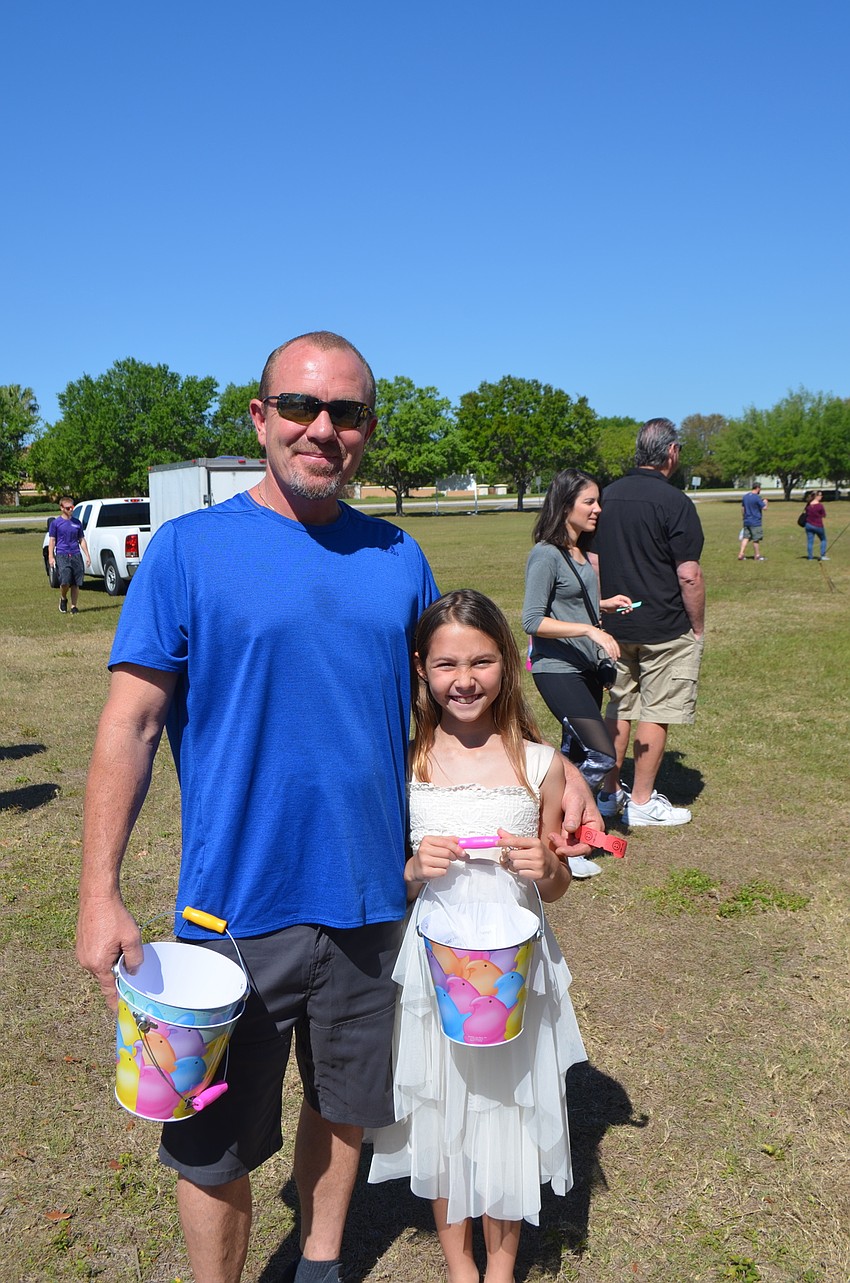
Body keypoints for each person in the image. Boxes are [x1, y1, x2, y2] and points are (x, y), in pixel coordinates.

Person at [75, 330, 604, 1283]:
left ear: (366, 429)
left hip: (375, 904)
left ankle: (320, 1265)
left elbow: (456, 692)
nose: (323, 429)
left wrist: (545, 775)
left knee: (347, 1100)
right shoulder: (190, 552)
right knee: (214, 1139)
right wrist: (97, 890)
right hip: (231, 908)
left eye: (347, 412)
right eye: (301, 408)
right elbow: (132, 724)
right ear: (260, 418)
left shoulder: (399, 556)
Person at [369, 590, 586, 1283]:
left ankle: (500, 1263)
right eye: (446, 664)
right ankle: (459, 1262)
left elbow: (557, 885)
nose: (464, 678)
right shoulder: (408, 762)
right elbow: (385, 883)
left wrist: (548, 866)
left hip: (513, 967)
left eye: (482, 660)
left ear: (510, 663)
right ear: (421, 669)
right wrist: (410, 869)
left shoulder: (539, 763)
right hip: (438, 969)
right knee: (442, 1102)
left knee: (507, 1106)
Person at [593, 418, 705, 828]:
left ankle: (608, 795)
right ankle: (640, 802)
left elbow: (593, 562)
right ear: (671, 452)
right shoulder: (676, 502)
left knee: (618, 707)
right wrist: (697, 628)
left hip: (614, 625)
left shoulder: (606, 497)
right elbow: (689, 574)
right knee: (655, 711)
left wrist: (599, 611)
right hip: (664, 626)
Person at [521, 468, 634, 877]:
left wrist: (602, 606)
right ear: (565, 504)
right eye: (589, 501)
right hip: (557, 668)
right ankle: (562, 831)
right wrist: (589, 628)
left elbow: (569, 602)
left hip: (586, 668)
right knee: (600, 753)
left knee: (572, 755)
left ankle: (562, 846)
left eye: (597, 501)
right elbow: (532, 619)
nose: (597, 509)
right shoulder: (546, 554)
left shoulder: (580, 554)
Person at [48, 496, 91, 613]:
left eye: (72, 507)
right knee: (65, 581)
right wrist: (51, 557)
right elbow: (52, 540)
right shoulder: (56, 523)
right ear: (61, 508)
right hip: (62, 554)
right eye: (68, 508)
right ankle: (63, 598)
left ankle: (73, 606)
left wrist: (87, 555)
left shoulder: (77, 523)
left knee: (76, 582)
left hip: (76, 554)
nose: (70, 510)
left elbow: (81, 539)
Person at [738, 482, 767, 561]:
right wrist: (765, 502)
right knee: (756, 539)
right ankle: (757, 555)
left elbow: (743, 508)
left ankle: (741, 553)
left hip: (747, 520)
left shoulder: (745, 497)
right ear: (757, 488)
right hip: (755, 521)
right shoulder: (757, 497)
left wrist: (744, 517)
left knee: (746, 537)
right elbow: (764, 508)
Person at [803, 490, 829, 560]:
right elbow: (824, 515)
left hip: (808, 525)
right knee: (823, 539)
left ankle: (810, 557)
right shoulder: (820, 506)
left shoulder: (808, 505)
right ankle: (823, 555)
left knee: (810, 542)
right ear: (816, 496)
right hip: (818, 525)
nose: (821, 497)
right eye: (820, 495)